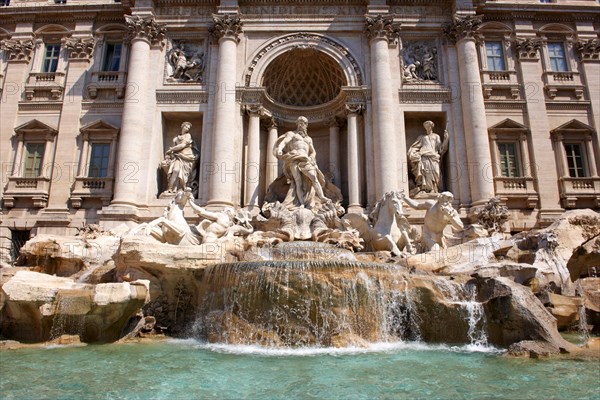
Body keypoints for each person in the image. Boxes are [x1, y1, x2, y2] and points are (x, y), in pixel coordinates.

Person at [274, 116, 330, 209]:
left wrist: (312, 157)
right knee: (298, 182)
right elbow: (284, 142)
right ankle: (302, 203)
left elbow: (313, 151)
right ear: (297, 124)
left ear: (306, 125)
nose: (301, 125)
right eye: (299, 123)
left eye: (303, 123)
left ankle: (321, 197)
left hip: (305, 159)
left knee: (314, 177)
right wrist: (279, 149)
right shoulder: (292, 134)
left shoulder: (309, 139)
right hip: (294, 158)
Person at [187, 196, 253, 244]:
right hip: (212, 241)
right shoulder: (224, 220)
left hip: (212, 241)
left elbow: (201, 212)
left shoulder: (225, 220)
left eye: (224, 210)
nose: (222, 211)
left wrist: (190, 203)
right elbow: (202, 212)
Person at [407, 120, 449, 194]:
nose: (427, 128)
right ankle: (426, 189)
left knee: (436, 173)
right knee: (426, 173)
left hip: (434, 157)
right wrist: (413, 153)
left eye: (428, 126)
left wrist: (446, 139)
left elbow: (441, 149)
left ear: (432, 126)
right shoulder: (422, 137)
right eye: (426, 126)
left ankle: (434, 189)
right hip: (424, 156)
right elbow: (415, 146)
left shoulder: (436, 136)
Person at [162, 122, 198, 193]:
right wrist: (169, 155)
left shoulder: (188, 136)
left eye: (188, 128)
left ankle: (177, 188)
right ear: (182, 126)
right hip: (177, 157)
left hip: (186, 157)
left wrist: (171, 149)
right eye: (186, 127)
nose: (187, 128)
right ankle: (170, 188)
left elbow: (182, 145)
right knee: (175, 170)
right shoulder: (176, 138)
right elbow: (173, 148)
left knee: (181, 173)